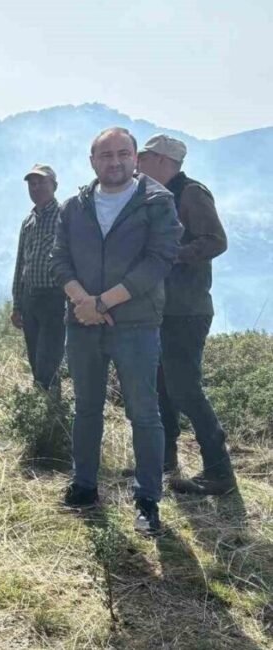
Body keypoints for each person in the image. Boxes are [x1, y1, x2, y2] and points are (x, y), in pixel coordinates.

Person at [50, 127, 181, 535]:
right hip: (83, 323)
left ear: (136, 157)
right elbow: (60, 259)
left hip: (136, 324)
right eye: (105, 155)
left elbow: (159, 260)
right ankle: (84, 485)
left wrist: (103, 302)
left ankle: (147, 501)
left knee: (144, 413)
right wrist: (82, 302)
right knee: (86, 408)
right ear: (92, 161)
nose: (115, 162)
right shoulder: (75, 206)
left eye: (123, 153)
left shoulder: (157, 202)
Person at [137, 134, 236, 494]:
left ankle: (220, 472)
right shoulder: (158, 196)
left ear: (164, 162)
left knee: (184, 388)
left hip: (187, 310)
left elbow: (216, 240)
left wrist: (172, 254)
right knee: (162, 385)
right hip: (164, 309)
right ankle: (165, 461)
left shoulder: (191, 193)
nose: (137, 164)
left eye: (144, 158)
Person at [11, 164, 66, 391]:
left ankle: (50, 410)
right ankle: (42, 407)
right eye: (32, 184)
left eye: (41, 182)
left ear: (54, 185)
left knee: (49, 357)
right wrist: (17, 304)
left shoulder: (65, 216)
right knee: (34, 355)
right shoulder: (29, 221)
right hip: (30, 298)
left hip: (55, 297)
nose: (36, 188)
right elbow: (20, 263)